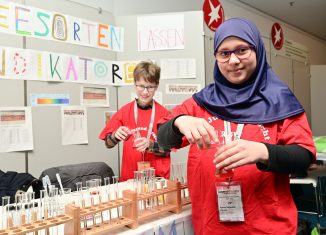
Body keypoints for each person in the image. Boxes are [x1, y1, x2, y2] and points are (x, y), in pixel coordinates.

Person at [157, 18, 316, 234]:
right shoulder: (200, 102)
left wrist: (262, 151)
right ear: (216, 57)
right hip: (212, 226)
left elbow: (304, 156)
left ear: (257, 50)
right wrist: (178, 122)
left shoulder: (280, 100)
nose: (233, 60)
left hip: (267, 227)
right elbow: (162, 139)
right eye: (224, 53)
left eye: (242, 50)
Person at [99, 61, 171, 182]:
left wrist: (151, 145)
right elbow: (108, 144)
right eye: (141, 86)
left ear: (157, 86)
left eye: (150, 87)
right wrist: (115, 136)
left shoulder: (164, 114)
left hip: (157, 181)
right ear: (134, 84)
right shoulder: (124, 111)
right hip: (130, 179)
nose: (145, 92)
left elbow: (169, 149)